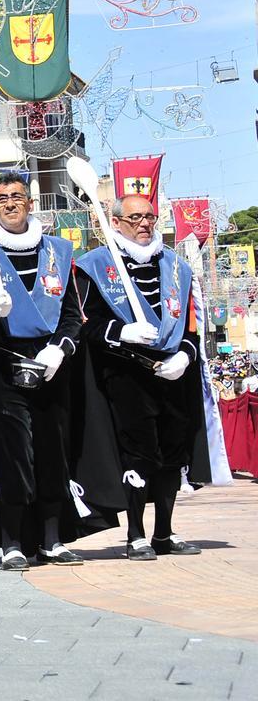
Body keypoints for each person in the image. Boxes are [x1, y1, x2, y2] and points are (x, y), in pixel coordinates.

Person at [75, 194, 232, 560]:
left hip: (171, 373)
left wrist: (183, 357)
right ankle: (135, 534)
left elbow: (193, 330)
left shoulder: (176, 268)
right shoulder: (95, 266)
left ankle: (164, 531)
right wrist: (121, 332)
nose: (144, 224)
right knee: (138, 455)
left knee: (171, 455)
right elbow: (87, 324)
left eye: (149, 217)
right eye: (134, 218)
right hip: (125, 374)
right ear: (116, 223)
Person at [0, 171, 91, 570]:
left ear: (30, 203)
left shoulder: (59, 252)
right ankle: (11, 540)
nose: (10, 203)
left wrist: (60, 350)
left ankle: (51, 538)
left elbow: (71, 317)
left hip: (49, 366)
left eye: (17, 196)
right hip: (1, 369)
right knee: (10, 457)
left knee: (52, 453)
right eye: (2, 198)